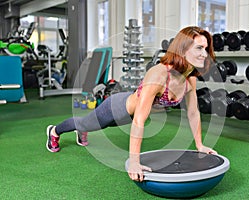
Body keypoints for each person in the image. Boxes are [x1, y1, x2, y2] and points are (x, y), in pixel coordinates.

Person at [46, 26, 217, 182]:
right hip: (117, 109)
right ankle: (54, 131)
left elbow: (193, 113)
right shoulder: (159, 74)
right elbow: (139, 121)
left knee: (93, 125)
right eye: (199, 48)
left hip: (129, 115)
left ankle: (82, 130)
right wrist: (134, 162)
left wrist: (200, 145)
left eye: (206, 48)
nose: (204, 54)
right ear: (183, 49)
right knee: (85, 123)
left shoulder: (190, 80)